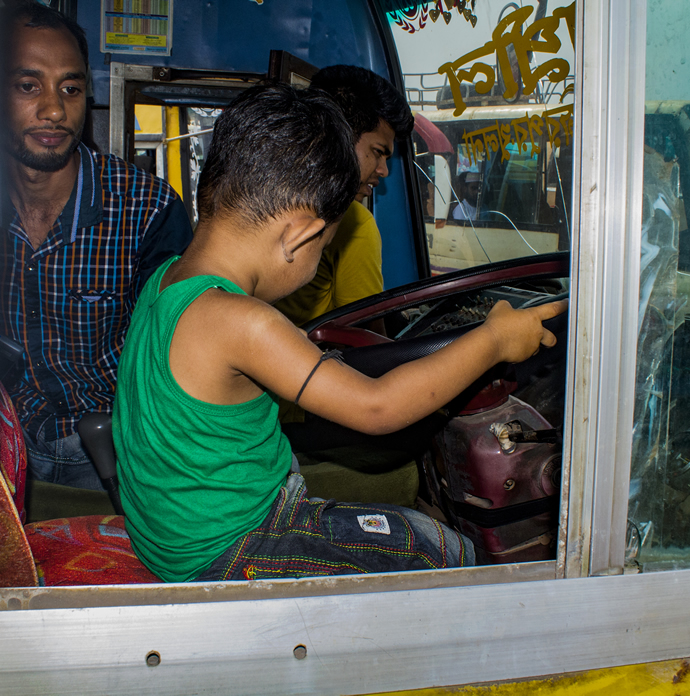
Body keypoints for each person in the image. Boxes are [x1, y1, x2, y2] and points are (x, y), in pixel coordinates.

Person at [112, 83, 566, 582]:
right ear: (301, 235)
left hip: (177, 537)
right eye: (325, 245)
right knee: (439, 547)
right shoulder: (243, 323)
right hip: (233, 545)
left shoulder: (168, 280)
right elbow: (378, 408)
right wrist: (495, 340)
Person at [0, 1, 193, 491]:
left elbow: (181, 354)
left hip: (119, 462)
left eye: (71, 88)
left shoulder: (147, 209)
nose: (55, 110)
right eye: (27, 85)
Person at [274, 65, 414, 326]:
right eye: (378, 151)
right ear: (340, 137)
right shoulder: (355, 222)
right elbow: (367, 340)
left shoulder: (269, 198)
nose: (383, 170)